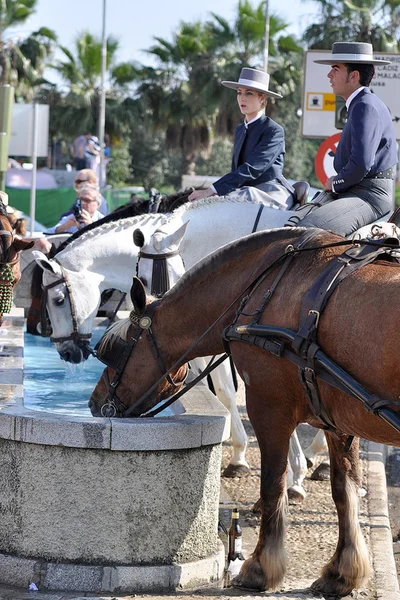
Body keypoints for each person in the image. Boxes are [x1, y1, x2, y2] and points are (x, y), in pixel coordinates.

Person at [296, 42, 398, 237]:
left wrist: (335, 183)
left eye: (335, 69)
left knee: (306, 234)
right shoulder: (361, 104)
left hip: (368, 196)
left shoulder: (364, 106)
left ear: (354, 76)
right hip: (359, 191)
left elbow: (361, 163)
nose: (329, 75)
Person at [188, 67, 294, 209]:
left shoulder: (273, 131)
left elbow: (252, 168)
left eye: (249, 93)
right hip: (244, 193)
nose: (242, 98)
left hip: (271, 192)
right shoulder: (240, 130)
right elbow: (236, 171)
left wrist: (212, 190)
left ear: (262, 99)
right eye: (239, 93)